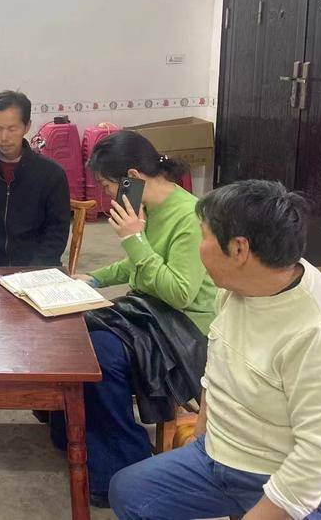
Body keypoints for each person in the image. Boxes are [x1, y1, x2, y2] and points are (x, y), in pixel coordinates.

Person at [110, 179, 321, 520]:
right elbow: (216, 368)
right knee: (128, 492)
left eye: (203, 236)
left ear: (239, 249)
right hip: (225, 457)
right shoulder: (236, 288)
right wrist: (204, 437)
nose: (199, 247)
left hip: (310, 484)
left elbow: (317, 459)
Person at [50, 130, 217, 506]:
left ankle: (123, 465)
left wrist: (134, 239)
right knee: (73, 331)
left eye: (108, 186)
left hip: (184, 328)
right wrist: (94, 279)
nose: (108, 195)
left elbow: (179, 292)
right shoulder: (152, 209)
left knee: (99, 355)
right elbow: (138, 264)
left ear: (132, 178)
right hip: (151, 312)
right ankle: (72, 434)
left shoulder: (189, 217)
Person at [0, 90, 70, 267]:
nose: (4, 137)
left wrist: (33, 273)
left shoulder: (51, 175)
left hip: (36, 271)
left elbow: (56, 233)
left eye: (12, 129)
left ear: (27, 126)